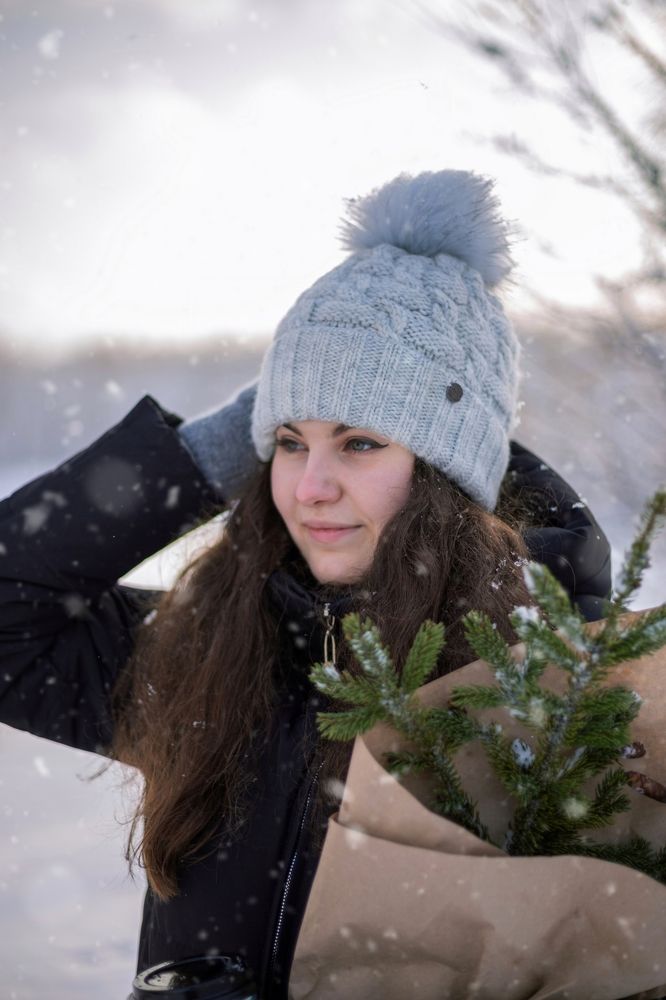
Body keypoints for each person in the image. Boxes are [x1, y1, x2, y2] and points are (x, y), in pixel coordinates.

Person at [0, 170, 611, 999]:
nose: (310, 487)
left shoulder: (550, 691)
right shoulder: (204, 652)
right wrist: (209, 453)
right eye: (289, 442)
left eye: (359, 443)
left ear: (445, 474)